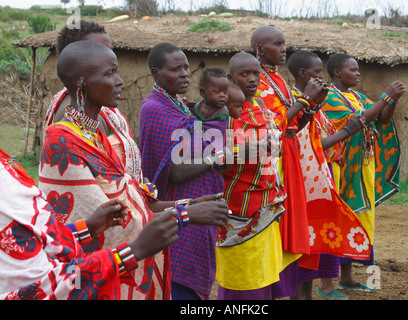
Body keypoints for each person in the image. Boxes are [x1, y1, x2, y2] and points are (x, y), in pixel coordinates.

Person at [39, 40, 230, 300]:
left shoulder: (99, 135)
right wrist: (186, 214)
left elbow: (132, 201)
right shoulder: (62, 143)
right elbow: (109, 228)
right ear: (82, 84)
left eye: (118, 71)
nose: (120, 81)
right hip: (99, 282)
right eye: (109, 74)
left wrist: (189, 203)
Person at [0, 148, 180, 300]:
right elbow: (41, 290)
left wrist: (86, 229)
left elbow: (38, 239)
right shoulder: (62, 141)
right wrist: (131, 253)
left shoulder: (5, 164)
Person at [139, 42, 230, 300]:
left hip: (200, 209)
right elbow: (175, 171)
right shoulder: (155, 108)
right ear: (156, 73)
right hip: (179, 211)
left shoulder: (179, 105)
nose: (184, 74)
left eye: (187, 68)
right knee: (178, 285)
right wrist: (220, 154)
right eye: (175, 69)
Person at [215, 51, 300, 300]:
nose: (252, 79)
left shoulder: (261, 106)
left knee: (262, 272)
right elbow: (218, 157)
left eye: (256, 74)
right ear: (230, 78)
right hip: (239, 206)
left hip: (267, 202)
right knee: (242, 278)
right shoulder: (222, 113)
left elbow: (276, 143)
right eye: (244, 74)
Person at [251, 26, 330, 283]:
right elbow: (272, 128)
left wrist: (312, 104)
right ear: (260, 49)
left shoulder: (279, 80)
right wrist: (304, 101)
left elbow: (293, 127)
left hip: (288, 155)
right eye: (278, 44)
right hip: (272, 159)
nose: (284, 49)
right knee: (274, 222)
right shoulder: (255, 81)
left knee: (287, 222)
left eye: (284, 43)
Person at [287, 50, 368, 300]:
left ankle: (310, 293)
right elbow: (307, 145)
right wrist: (346, 133)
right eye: (317, 72)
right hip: (307, 182)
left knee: (316, 244)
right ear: (303, 74)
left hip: (321, 177)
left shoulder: (314, 103)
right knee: (306, 243)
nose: (322, 77)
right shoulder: (296, 101)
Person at [322, 53, 406, 292]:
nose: (358, 74)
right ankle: (326, 282)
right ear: (337, 72)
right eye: (353, 70)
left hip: (362, 167)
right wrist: (385, 97)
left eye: (358, 70)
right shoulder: (328, 97)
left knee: (358, 218)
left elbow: (380, 119)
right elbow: (358, 120)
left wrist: (391, 102)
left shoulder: (357, 97)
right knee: (336, 219)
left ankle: (346, 277)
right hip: (342, 167)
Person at [42, 20, 142, 182]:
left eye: (109, 50)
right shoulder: (75, 112)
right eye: (99, 50)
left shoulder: (99, 106)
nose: (108, 55)